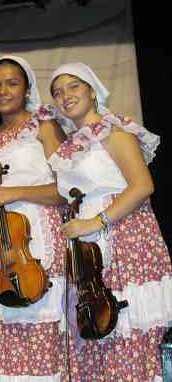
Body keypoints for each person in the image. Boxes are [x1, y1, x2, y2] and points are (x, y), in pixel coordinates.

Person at [48, 62, 172, 380]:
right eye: (58, 92)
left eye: (74, 86)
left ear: (92, 90)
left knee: (127, 336)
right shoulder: (69, 147)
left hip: (124, 238)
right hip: (88, 255)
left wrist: (95, 223)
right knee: (95, 338)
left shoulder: (113, 130)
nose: (65, 95)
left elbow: (143, 186)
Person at [0, 56, 68, 381]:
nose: (3, 90)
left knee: (41, 342)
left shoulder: (44, 125)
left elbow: (67, 189)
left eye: (12, 83)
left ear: (26, 89)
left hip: (36, 240)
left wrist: (16, 192)